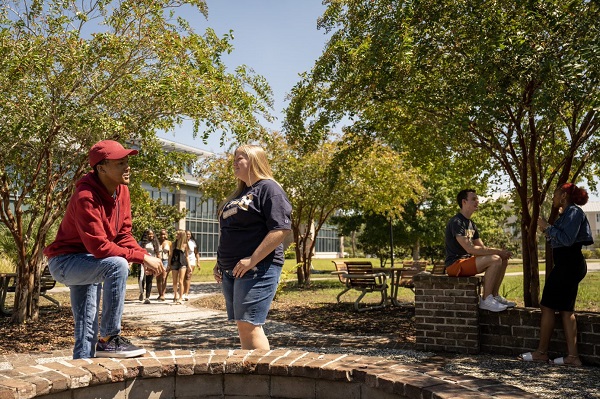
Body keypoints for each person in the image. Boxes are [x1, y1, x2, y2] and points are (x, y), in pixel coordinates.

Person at [43, 140, 164, 359]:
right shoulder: (85, 197)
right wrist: (140, 259)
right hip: (66, 262)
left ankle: (83, 374)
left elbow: (123, 235)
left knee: (86, 327)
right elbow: (99, 247)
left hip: (90, 261)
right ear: (101, 168)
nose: (127, 167)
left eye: (127, 161)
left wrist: (145, 256)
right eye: (120, 163)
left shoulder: (122, 192)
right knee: (117, 265)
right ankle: (109, 338)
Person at [212, 144, 292, 350]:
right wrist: (219, 263)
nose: (234, 162)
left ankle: (262, 378)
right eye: (234, 158)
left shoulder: (269, 189)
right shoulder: (239, 193)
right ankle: (251, 375)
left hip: (258, 268)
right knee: (243, 326)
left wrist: (252, 260)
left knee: (250, 325)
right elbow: (229, 232)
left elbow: (279, 230)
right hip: (232, 270)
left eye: (240, 158)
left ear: (255, 160)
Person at [520, 183, 593, 366]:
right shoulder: (567, 215)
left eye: (555, 194)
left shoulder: (574, 213)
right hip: (567, 265)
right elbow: (560, 238)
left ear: (563, 196)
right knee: (566, 310)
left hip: (568, 265)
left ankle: (542, 353)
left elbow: (567, 240)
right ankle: (573, 357)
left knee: (547, 306)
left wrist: (546, 227)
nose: (552, 198)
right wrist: (546, 229)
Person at [445, 189, 514, 312]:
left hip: (467, 262)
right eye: (473, 199)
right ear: (464, 202)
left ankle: (494, 296)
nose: (477, 201)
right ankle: (486, 299)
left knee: (502, 259)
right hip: (455, 264)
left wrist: (501, 253)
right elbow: (470, 248)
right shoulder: (457, 222)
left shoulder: (471, 224)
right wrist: (498, 252)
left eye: (477, 199)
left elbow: (481, 248)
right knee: (495, 259)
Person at [138, 229, 160, 304]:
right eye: (149, 234)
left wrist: (158, 263)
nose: (151, 235)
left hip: (151, 262)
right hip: (142, 262)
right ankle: (141, 292)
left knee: (149, 280)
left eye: (152, 234)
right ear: (146, 235)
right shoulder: (141, 243)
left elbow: (158, 253)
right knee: (141, 278)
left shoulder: (155, 243)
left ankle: (147, 297)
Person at [169, 229, 188, 304]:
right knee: (174, 281)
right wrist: (168, 265)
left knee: (180, 281)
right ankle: (175, 295)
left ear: (181, 235)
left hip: (182, 263)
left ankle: (180, 297)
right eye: (176, 234)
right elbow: (170, 255)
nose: (176, 236)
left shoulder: (185, 244)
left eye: (178, 234)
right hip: (174, 262)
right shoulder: (173, 244)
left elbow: (186, 256)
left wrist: (189, 266)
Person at [182, 230, 200, 301]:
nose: (188, 236)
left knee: (188, 276)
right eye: (186, 234)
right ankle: (182, 292)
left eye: (189, 234)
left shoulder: (193, 243)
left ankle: (186, 293)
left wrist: (198, 262)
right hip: (183, 260)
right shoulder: (182, 242)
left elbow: (196, 253)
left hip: (192, 261)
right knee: (183, 277)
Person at [156, 229, 171, 301]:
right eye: (161, 234)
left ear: (166, 235)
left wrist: (169, 264)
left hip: (165, 261)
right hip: (158, 261)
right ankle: (159, 294)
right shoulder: (156, 242)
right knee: (158, 278)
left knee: (164, 278)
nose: (163, 236)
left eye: (164, 234)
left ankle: (163, 294)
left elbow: (170, 254)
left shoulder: (169, 243)